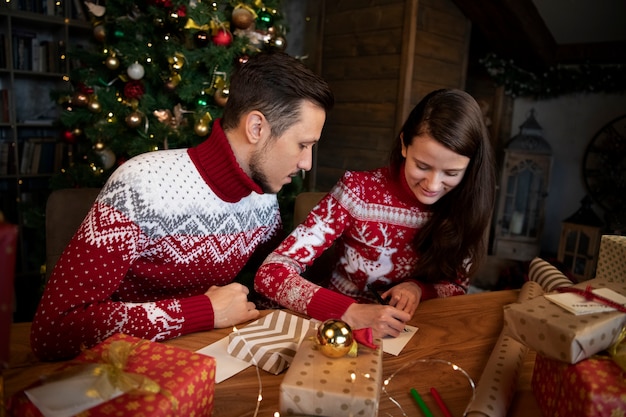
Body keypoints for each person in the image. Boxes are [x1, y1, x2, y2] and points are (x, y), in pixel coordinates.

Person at [31, 52, 334, 361]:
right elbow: (55, 328)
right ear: (256, 127)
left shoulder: (263, 195)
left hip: (210, 358)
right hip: (125, 367)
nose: (306, 163)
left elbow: (271, 280)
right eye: (303, 144)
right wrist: (204, 310)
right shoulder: (140, 185)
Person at [255, 88, 496, 339]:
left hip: (414, 333)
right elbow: (271, 274)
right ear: (404, 145)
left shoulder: (467, 204)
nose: (433, 185)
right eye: (422, 166)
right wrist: (347, 311)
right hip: (339, 331)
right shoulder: (357, 192)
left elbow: (457, 285)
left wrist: (418, 289)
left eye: (451, 173)